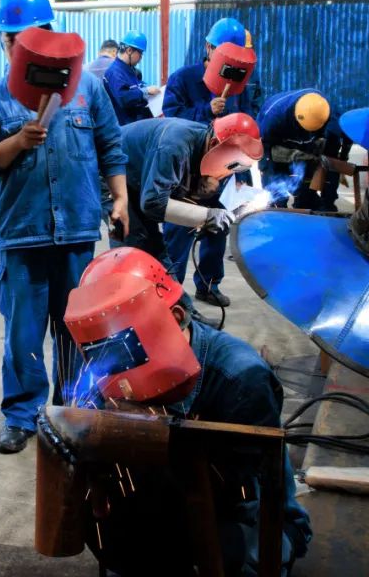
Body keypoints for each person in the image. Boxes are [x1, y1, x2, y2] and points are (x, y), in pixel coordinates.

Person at [64, 247, 313, 576]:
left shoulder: (240, 377)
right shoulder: (107, 364)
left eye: (128, 349)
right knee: (113, 535)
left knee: (227, 555)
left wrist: (159, 434)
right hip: (176, 497)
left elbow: (238, 491)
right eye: (106, 352)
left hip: (242, 510)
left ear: (176, 317)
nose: (119, 369)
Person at [0, 0, 129, 455]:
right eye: (12, 41)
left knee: (76, 329)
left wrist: (120, 198)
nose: (20, 48)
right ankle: (22, 415)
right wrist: (17, 142)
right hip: (23, 234)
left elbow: (110, 145)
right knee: (23, 334)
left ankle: (72, 410)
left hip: (77, 229)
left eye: (31, 38)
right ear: (4, 44)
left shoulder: (87, 89)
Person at [109, 113, 264, 326]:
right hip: (112, 176)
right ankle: (126, 323)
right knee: (134, 245)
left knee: (156, 251)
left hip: (138, 178)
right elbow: (153, 203)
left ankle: (184, 313)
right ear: (214, 144)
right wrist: (206, 216)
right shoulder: (174, 145)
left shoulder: (206, 144)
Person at [162, 17, 251, 309]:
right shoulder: (184, 78)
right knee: (179, 231)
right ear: (209, 48)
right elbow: (171, 120)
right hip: (186, 173)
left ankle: (209, 285)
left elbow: (244, 125)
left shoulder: (238, 85)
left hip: (221, 170)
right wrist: (205, 110)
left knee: (218, 228)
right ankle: (169, 295)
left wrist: (241, 174)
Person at [256, 88, 332, 210]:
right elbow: (265, 148)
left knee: (306, 193)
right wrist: (268, 168)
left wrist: (318, 157)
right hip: (276, 143)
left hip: (306, 144)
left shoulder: (322, 109)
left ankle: (304, 205)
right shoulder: (273, 117)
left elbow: (325, 139)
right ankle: (277, 209)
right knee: (276, 191)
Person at [103, 30, 160, 125]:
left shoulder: (130, 70)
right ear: (129, 50)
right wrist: (146, 91)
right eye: (140, 53)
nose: (141, 57)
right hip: (123, 128)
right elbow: (123, 97)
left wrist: (148, 90)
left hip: (134, 125)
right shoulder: (115, 72)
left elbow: (136, 87)